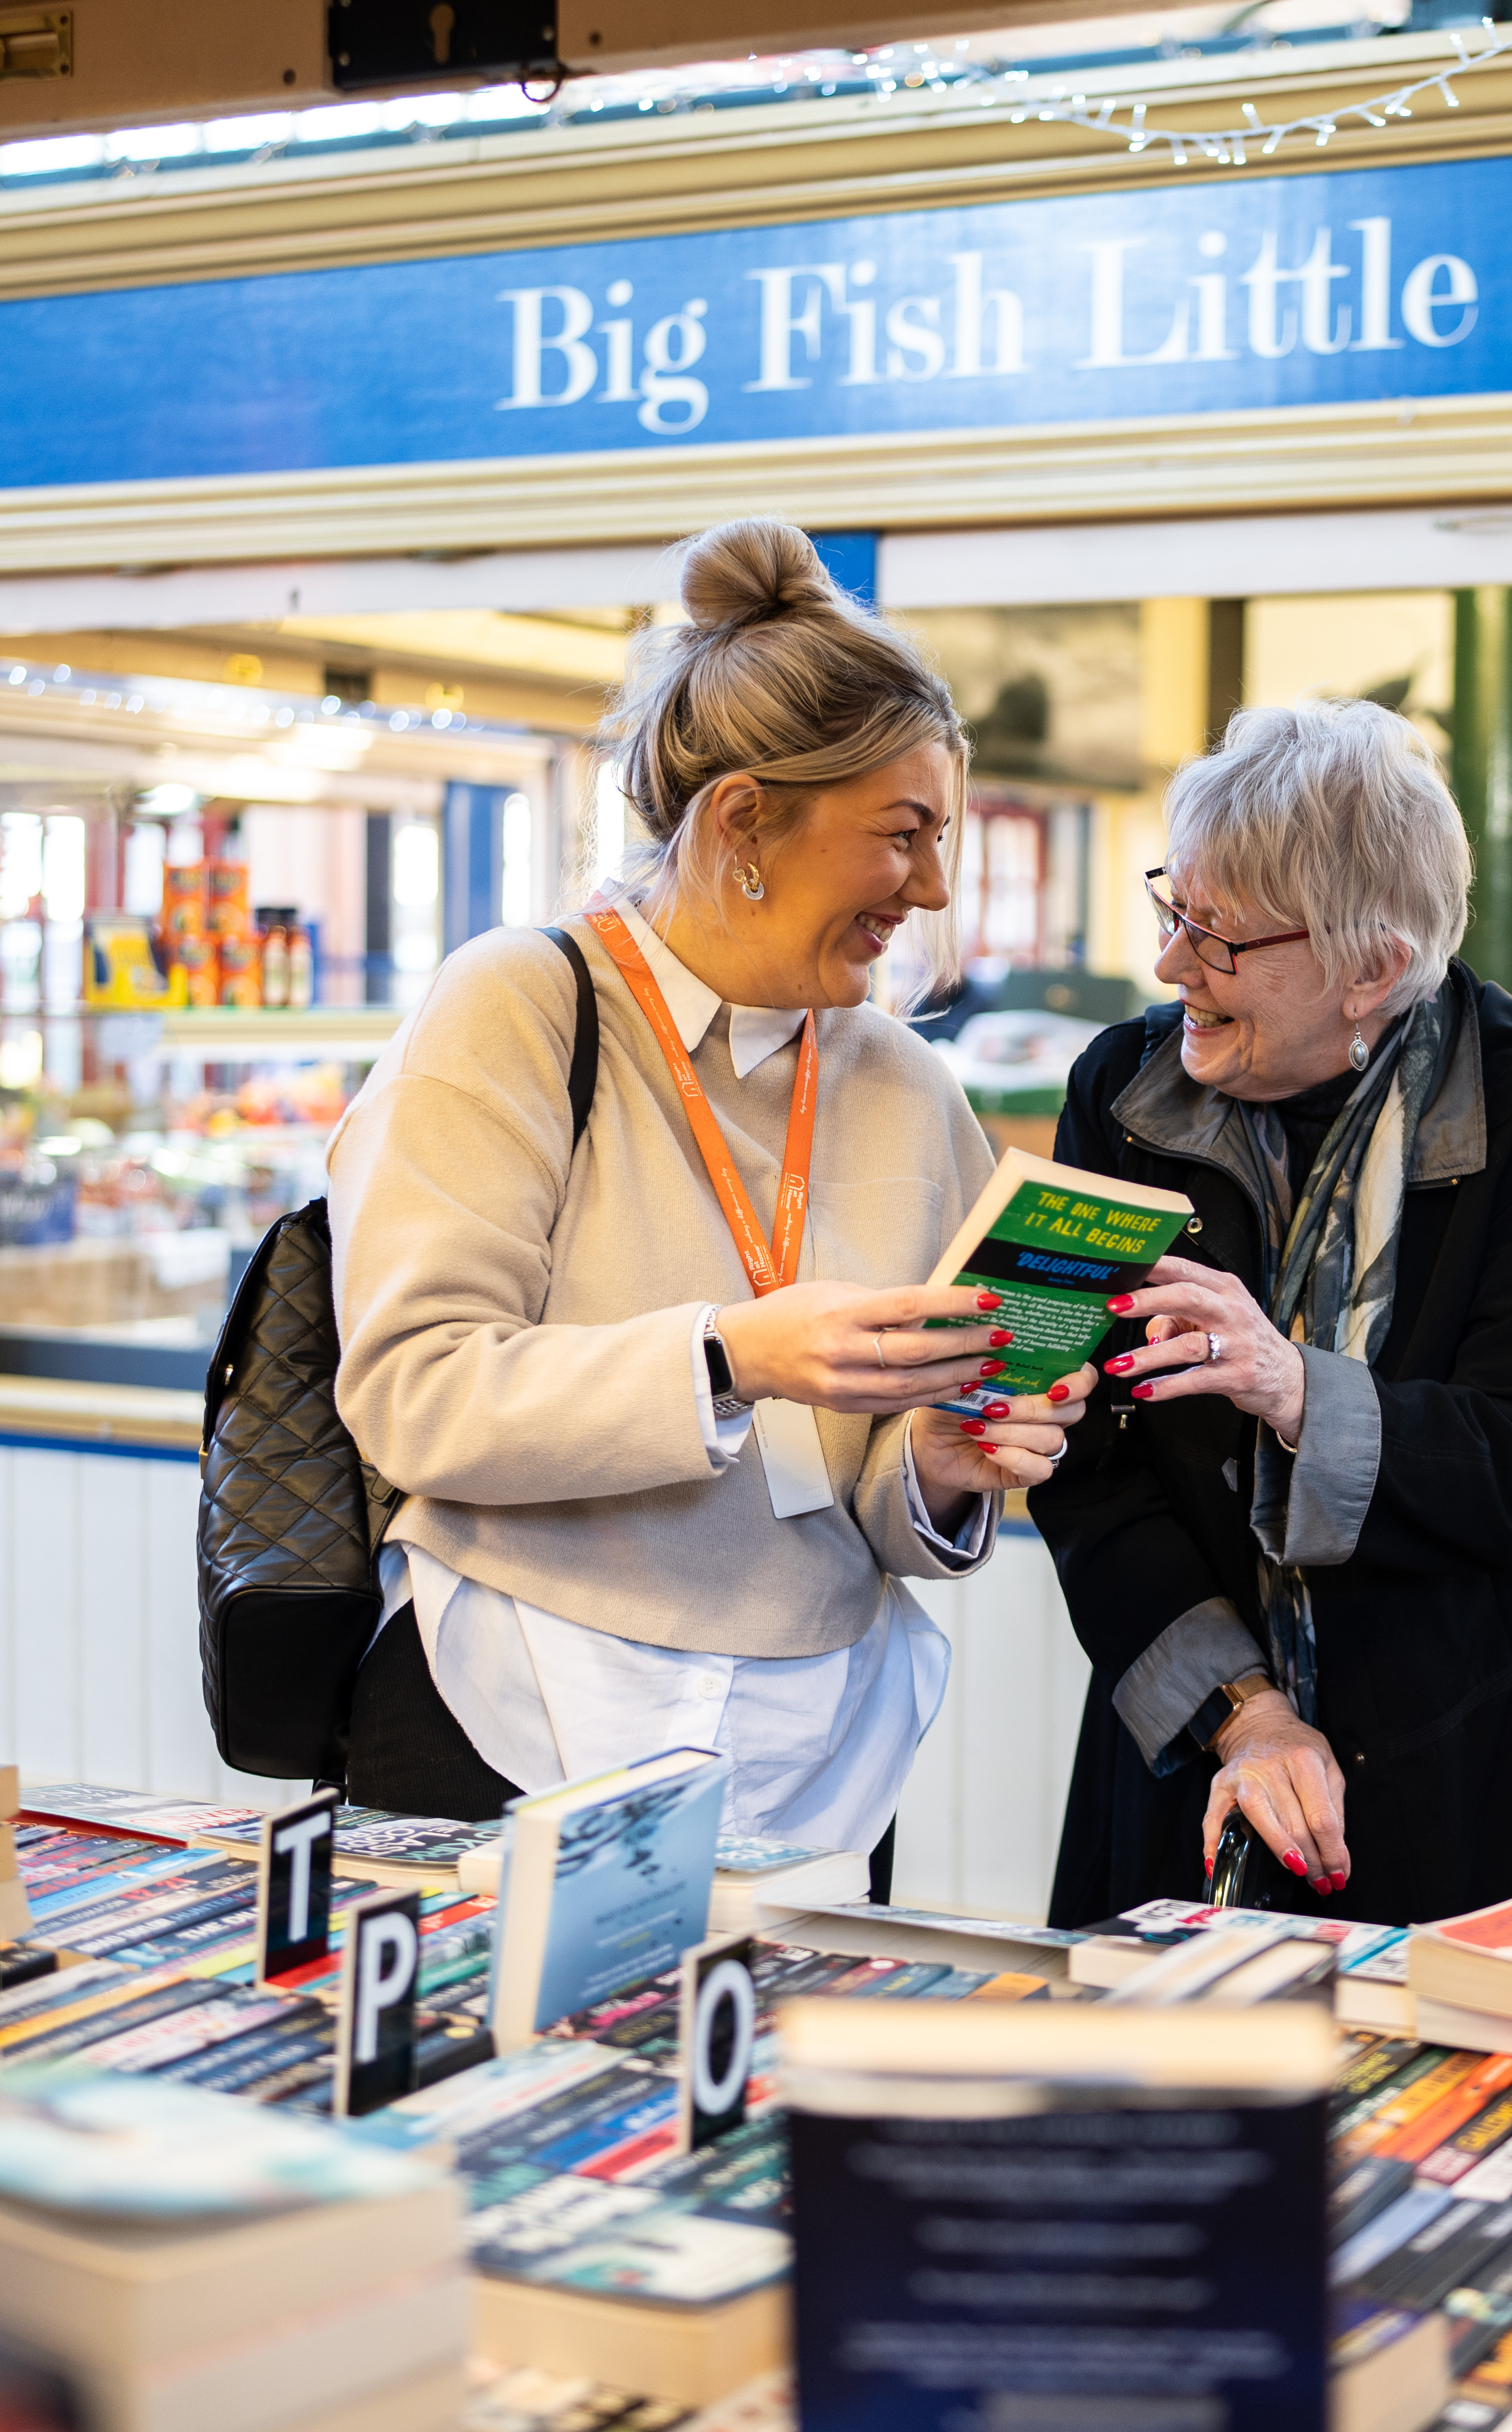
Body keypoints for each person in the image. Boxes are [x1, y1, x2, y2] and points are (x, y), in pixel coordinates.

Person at [322, 519, 1095, 1861]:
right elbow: (415, 1392)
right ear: (744, 819)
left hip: (826, 1757)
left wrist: (942, 1468)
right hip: (514, 1711)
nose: (933, 886)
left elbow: (878, 1487)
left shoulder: (907, 1081)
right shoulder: (520, 1005)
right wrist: (730, 1357)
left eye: (944, 836)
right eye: (901, 834)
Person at [1031, 699, 1512, 1928]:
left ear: (1371, 964)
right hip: (1202, 1750)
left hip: (1488, 1755)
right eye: (1173, 910)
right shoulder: (1121, 1092)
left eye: (1216, 938)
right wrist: (1246, 1712)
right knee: (1171, 2107)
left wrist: (1294, 1387)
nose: (1172, 966)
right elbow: (1087, 1463)